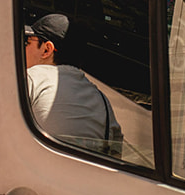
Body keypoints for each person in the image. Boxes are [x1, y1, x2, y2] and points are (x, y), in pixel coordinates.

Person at [22, 12, 122, 157]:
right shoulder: (102, 101)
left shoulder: (31, 78)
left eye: (28, 43)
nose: (23, 49)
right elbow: (115, 153)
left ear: (46, 49)